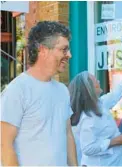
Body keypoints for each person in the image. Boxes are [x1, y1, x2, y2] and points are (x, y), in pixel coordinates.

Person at [1, 21, 77, 166]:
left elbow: (67, 134)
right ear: (43, 50)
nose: (70, 55)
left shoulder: (62, 91)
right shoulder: (17, 90)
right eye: (64, 49)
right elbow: (4, 145)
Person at [69, 62, 122, 166]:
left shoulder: (100, 104)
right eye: (95, 80)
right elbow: (87, 148)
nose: (99, 81)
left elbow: (116, 94)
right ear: (89, 89)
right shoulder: (87, 117)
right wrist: (113, 142)